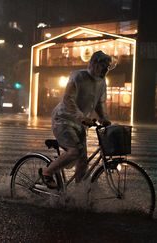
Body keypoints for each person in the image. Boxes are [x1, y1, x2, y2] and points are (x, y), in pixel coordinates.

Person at [39, 51, 113, 189]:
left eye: (107, 67)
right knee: (74, 151)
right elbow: (68, 99)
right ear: (94, 64)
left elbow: (100, 103)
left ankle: (79, 193)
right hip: (63, 119)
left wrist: (104, 118)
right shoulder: (78, 76)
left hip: (79, 124)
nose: (105, 69)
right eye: (103, 65)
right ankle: (47, 172)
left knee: (83, 161)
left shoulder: (102, 83)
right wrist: (82, 117)